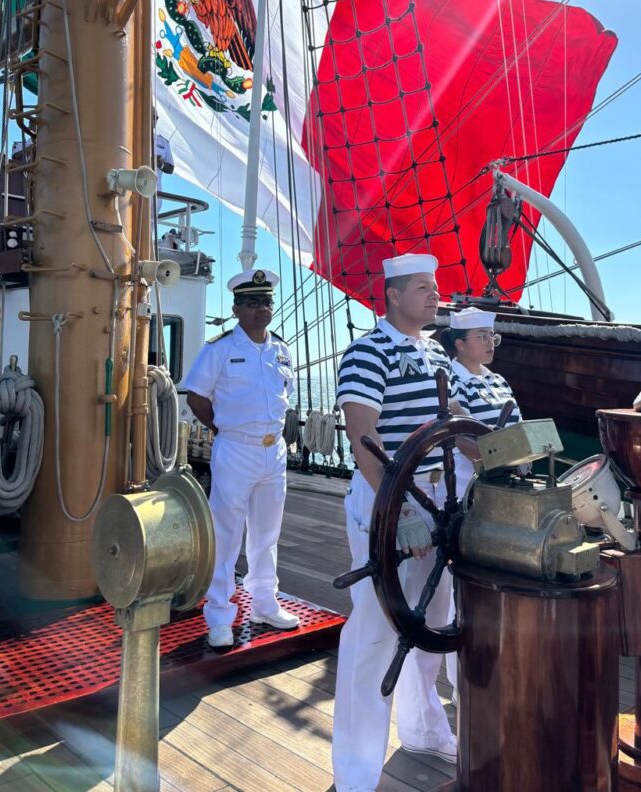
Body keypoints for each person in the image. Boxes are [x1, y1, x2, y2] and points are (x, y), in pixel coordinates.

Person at [332, 253, 478, 792]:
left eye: (434, 287)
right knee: (374, 636)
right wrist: (404, 510)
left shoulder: (436, 355)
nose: (435, 296)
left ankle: (421, 730)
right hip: (388, 504)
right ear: (393, 295)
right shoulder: (368, 353)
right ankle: (355, 775)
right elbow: (362, 439)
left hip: (440, 507)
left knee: (429, 627)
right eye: (423, 288)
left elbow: (461, 430)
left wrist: (511, 454)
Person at [185, 267, 300, 647]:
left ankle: (264, 603)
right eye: (252, 303)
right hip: (235, 449)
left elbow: (285, 399)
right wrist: (225, 429)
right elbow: (197, 397)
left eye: (266, 302)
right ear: (236, 309)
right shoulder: (219, 349)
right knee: (226, 534)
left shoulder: (281, 349)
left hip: (274, 452)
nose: (262, 309)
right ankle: (219, 615)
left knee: (267, 535)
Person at [439, 306, 522, 699]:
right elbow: (458, 432)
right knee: (464, 585)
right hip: (468, 486)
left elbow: (518, 430)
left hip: (501, 485)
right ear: (459, 344)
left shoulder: (498, 380)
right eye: (482, 337)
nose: (490, 344)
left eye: (493, 337)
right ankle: (462, 687)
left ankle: (489, 674)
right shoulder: (452, 381)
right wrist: (492, 462)